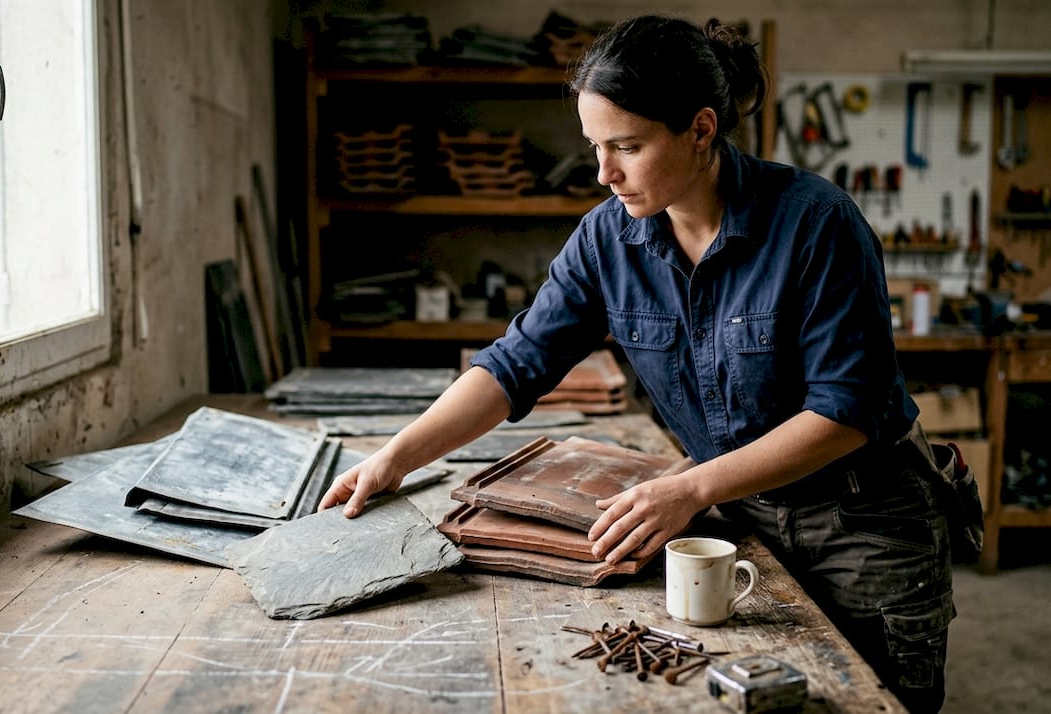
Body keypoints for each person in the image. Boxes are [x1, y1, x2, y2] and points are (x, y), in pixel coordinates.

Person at [318, 14, 953, 713]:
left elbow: (845, 415)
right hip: (741, 519)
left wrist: (686, 490)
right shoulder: (606, 237)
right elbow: (518, 362)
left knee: (867, 701)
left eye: (628, 145)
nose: (604, 172)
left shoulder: (816, 224)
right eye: (596, 146)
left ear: (702, 130)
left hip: (863, 525)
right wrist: (397, 457)